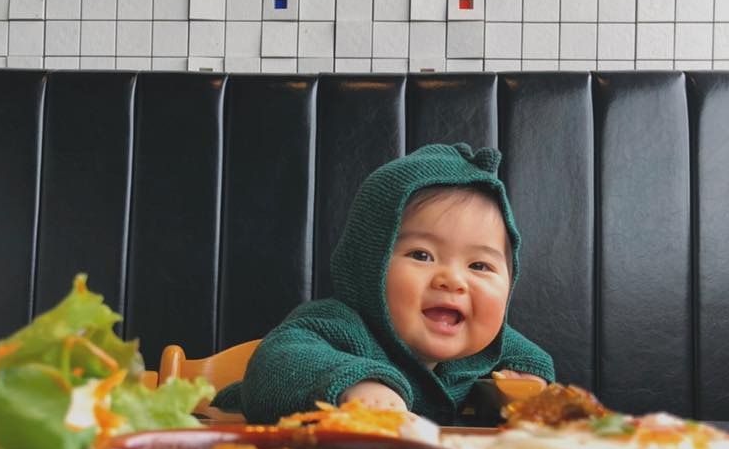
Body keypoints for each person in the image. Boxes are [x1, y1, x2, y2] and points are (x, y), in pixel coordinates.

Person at [214, 143, 555, 425]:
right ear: (368, 263)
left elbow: (516, 349)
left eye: (479, 265)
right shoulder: (338, 325)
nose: (452, 279)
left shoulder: (479, 350)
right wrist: (357, 385)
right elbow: (274, 366)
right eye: (422, 255)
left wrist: (529, 378)